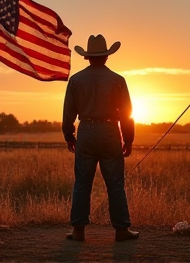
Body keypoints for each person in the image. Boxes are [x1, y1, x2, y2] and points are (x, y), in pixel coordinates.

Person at [62, 34, 139, 242]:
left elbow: (69, 112)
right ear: (106, 57)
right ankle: (121, 230)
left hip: (85, 129)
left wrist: (69, 135)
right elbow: (127, 113)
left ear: (87, 57)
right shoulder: (118, 80)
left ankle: (78, 230)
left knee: (82, 183)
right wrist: (128, 140)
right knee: (115, 183)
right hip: (110, 131)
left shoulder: (76, 80)